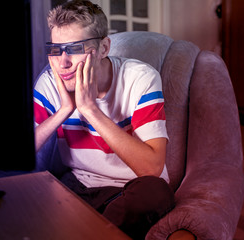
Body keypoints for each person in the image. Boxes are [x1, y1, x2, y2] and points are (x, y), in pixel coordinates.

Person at [34, 0, 175, 239]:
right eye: (56, 50)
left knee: (156, 193)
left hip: (130, 189)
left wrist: (90, 109)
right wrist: (63, 111)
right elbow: (16, 157)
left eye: (75, 48)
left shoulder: (140, 79)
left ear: (103, 48)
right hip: (77, 184)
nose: (63, 63)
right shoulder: (50, 82)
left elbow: (151, 169)